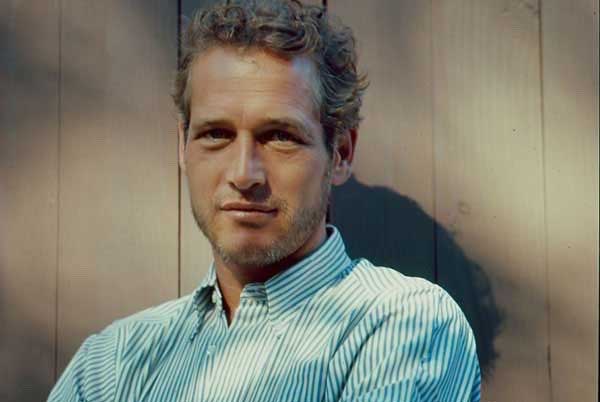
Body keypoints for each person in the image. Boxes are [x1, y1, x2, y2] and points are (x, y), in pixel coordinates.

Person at [48, 1, 481, 401]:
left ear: (341, 153)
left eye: (279, 136)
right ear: (183, 146)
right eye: (216, 134)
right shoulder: (110, 363)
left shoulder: (402, 322)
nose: (243, 174)